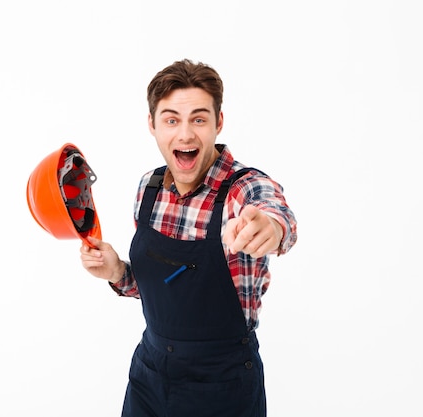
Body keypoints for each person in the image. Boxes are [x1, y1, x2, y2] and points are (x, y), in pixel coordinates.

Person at [80, 59, 297, 417]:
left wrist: (272, 229)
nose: (184, 135)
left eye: (198, 119)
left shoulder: (244, 189)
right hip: (149, 375)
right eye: (171, 120)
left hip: (222, 385)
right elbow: (165, 284)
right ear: (152, 125)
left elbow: (278, 216)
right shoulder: (148, 188)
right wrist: (117, 271)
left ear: (218, 123)